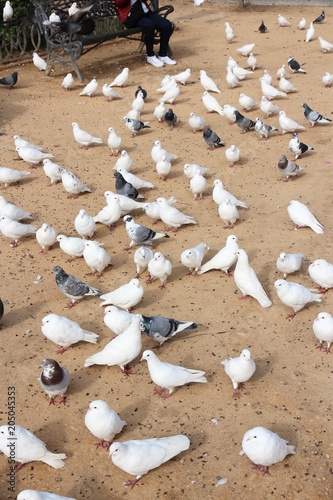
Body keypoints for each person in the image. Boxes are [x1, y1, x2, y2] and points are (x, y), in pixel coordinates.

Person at [115, 0, 176, 68]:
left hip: (146, 13)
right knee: (149, 25)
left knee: (167, 25)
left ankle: (163, 55)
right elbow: (118, 3)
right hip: (132, 17)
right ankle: (150, 55)